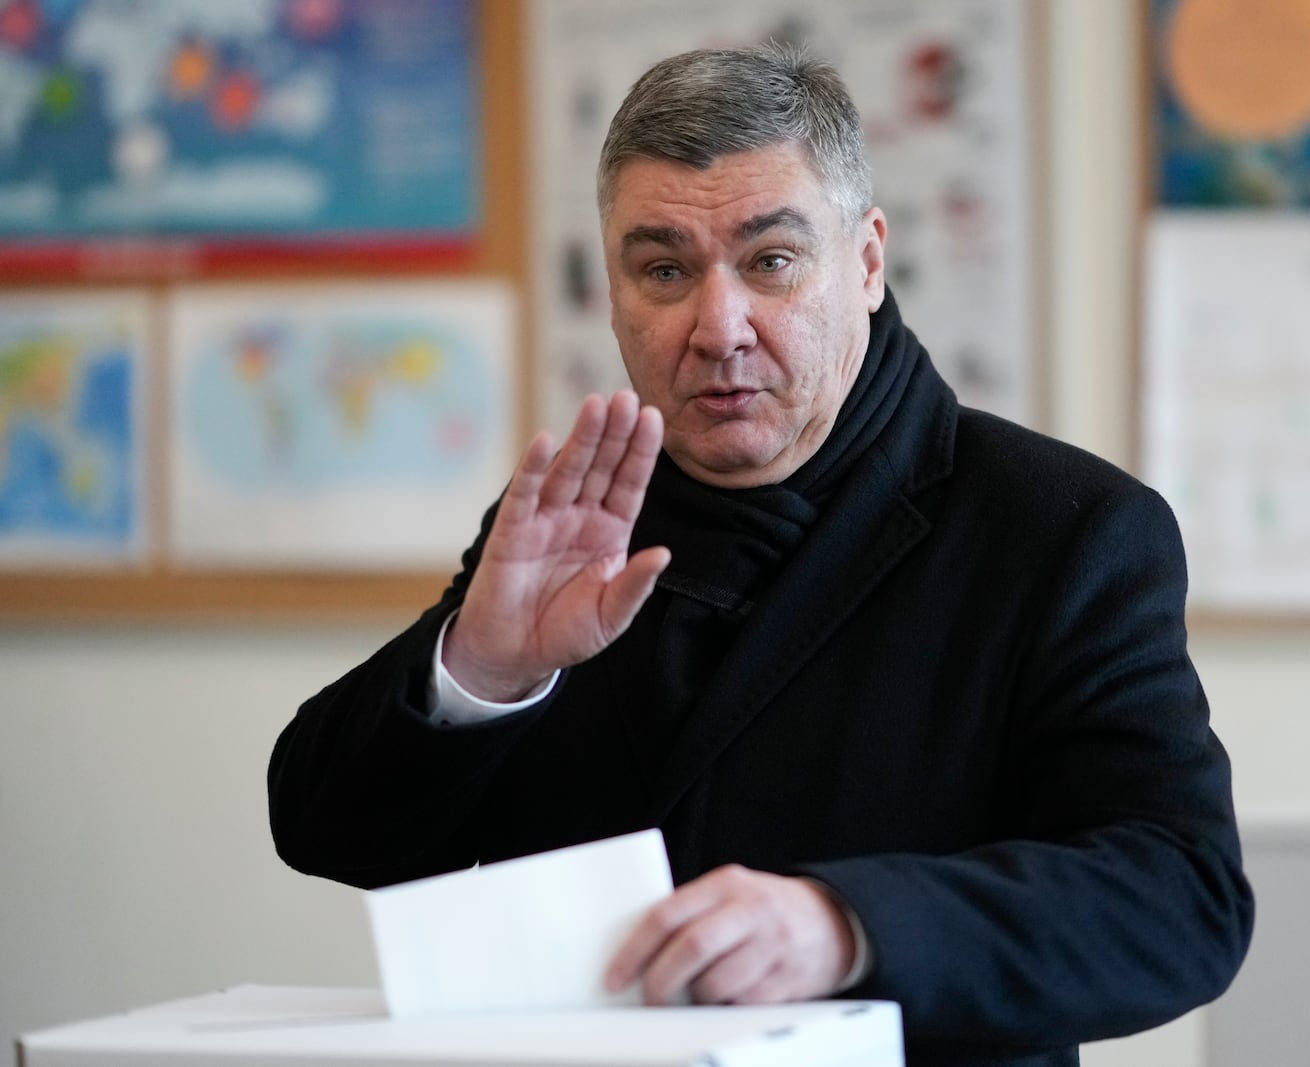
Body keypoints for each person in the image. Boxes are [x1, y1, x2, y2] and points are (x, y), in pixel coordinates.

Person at [269, 43, 1252, 1067]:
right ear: (611, 293)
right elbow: (329, 833)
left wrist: (845, 924)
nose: (717, 325)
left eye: (770, 261)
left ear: (866, 261)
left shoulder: (1060, 526)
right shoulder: (575, 516)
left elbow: (1177, 895)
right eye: (663, 270)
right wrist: (479, 670)